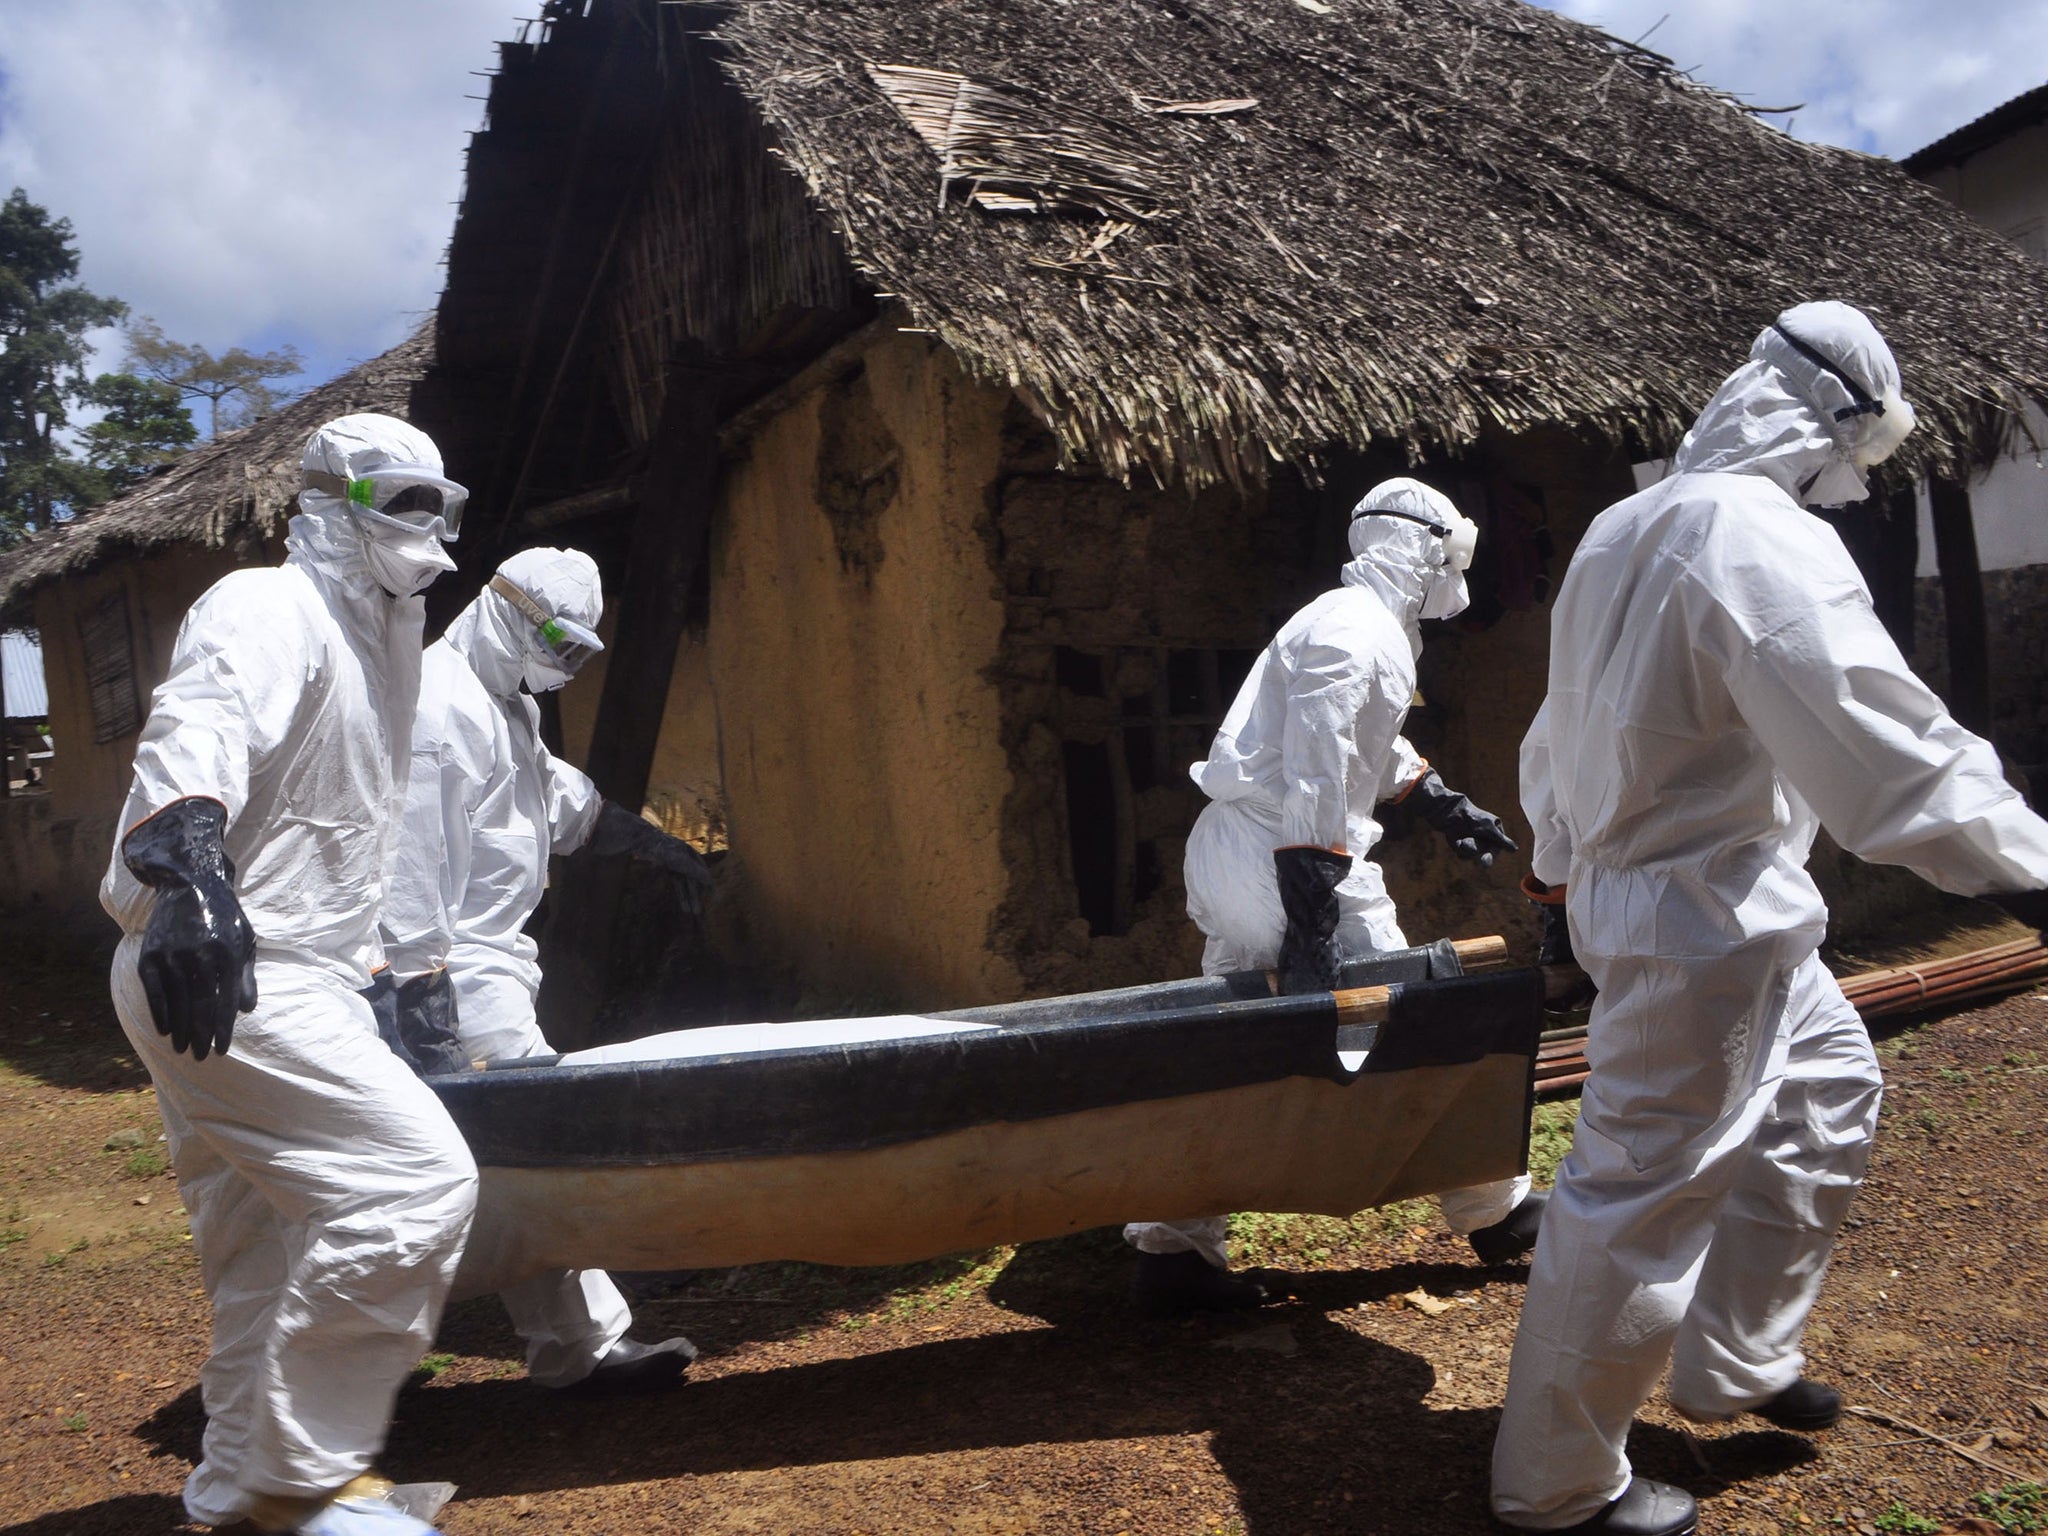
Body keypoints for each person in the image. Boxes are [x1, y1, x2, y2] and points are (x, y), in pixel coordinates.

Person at [1494, 301, 2048, 1536]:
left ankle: (1733, 1360)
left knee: (1829, 1089)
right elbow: (1885, 745)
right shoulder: (1752, 534)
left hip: (1699, 901)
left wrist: (1553, 868)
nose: (1847, 484)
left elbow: (1557, 724)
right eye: (1854, 457)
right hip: (1697, 911)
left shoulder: (1623, 524)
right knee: (1636, 1191)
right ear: (1827, 425)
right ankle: (1556, 1488)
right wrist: (2032, 873)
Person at [101, 414, 474, 1536]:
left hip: (292, 972)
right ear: (334, 502)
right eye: (404, 502)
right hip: (221, 962)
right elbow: (197, 726)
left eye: (438, 504)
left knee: (265, 1247)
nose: (430, 530)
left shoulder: (383, 643)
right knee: (414, 1184)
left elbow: (358, 829)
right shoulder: (269, 605)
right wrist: (187, 872)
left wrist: (396, 970)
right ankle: (304, 1481)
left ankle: (231, 1495)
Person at [1123, 477, 1544, 1316]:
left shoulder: (1355, 624)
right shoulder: (1357, 635)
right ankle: (1493, 1211)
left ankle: (1174, 1247)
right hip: (1291, 858)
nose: (1457, 574)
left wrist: (1439, 800)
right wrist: (1315, 917)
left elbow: (1362, 742)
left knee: (1232, 1047)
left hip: (1252, 852)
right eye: (1452, 555)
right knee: (1414, 1015)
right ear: (1420, 551)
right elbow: (1319, 771)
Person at [379, 546, 711, 1391]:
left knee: (509, 1168)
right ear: (504, 608)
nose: (559, 667)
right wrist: (425, 1015)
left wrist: (663, 850)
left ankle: (566, 1347)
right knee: (513, 1163)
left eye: (575, 654)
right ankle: (354, 1358)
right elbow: (409, 872)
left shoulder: (505, 712)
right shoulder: (433, 708)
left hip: (492, 971)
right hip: (449, 978)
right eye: (555, 642)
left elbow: (567, 806)